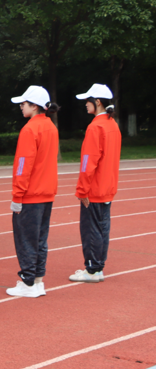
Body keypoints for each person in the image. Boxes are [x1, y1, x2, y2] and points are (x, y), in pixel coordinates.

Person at [6, 85, 59, 298]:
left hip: (30, 194)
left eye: (24, 103)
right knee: (40, 238)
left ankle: (28, 281)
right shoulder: (51, 128)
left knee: (26, 238)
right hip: (47, 192)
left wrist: (17, 195)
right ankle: (37, 280)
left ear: (34, 106)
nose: (21, 106)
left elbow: (22, 166)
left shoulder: (30, 129)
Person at [70, 83, 122, 284]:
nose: (85, 104)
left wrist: (82, 189)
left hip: (95, 188)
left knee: (91, 228)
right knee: (102, 227)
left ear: (97, 102)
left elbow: (87, 162)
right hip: (108, 186)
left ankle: (92, 269)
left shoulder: (96, 127)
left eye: (88, 100)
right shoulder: (112, 125)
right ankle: (98, 267)